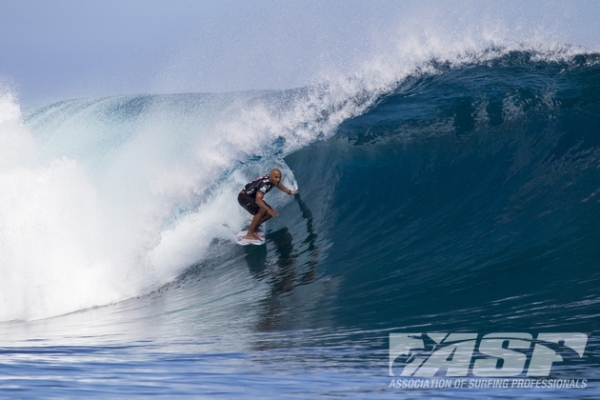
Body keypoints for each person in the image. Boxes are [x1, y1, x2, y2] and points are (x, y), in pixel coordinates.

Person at [238, 168, 298, 241]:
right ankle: (250, 234)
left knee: (270, 213)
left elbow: (279, 184)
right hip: (243, 197)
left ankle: (255, 225)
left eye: (279, 177)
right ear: (271, 176)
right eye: (276, 177)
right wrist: (269, 210)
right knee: (262, 210)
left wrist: (289, 192)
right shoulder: (265, 184)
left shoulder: (272, 180)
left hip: (251, 197)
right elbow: (258, 200)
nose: (278, 179)